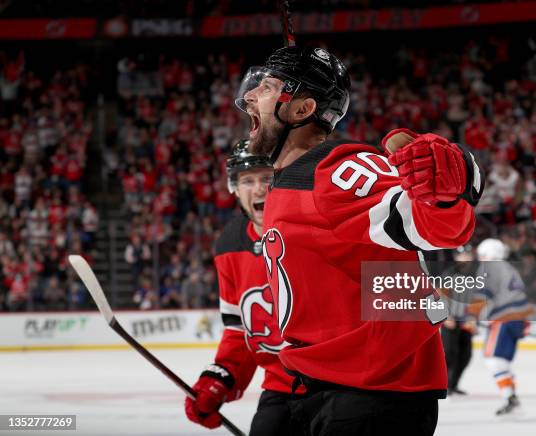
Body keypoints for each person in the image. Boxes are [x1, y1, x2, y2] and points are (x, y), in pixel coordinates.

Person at [235, 46, 485, 435]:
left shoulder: (336, 168)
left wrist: (447, 190)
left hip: (372, 395)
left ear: (301, 110)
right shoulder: (290, 177)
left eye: (266, 88)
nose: (249, 95)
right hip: (320, 386)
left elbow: (436, 225)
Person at [185, 140, 301, 436]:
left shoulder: (311, 228)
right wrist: (221, 377)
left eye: (267, 178)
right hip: (281, 386)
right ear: (233, 189)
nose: (259, 189)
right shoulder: (230, 244)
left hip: (338, 387)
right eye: (247, 180)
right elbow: (240, 329)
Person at [473, 238, 533, 415]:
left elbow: (484, 294)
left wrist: (473, 316)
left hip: (504, 319)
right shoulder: (510, 268)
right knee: (503, 362)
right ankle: (511, 396)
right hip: (517, 318)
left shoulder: (490, 268)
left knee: (494, 361)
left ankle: (510, 398)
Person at [441, 246, 478, 396]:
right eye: (462, 255)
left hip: (466, 321)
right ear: (456, 257)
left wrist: (474, 319)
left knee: (465, 354)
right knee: (449, 353)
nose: (465, 257)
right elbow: (439, 297)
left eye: (468, 254)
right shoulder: (449, 274)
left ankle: (453, 384)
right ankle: (443, 385)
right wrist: (445, 317)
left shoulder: (476, 275)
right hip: (450, 320)